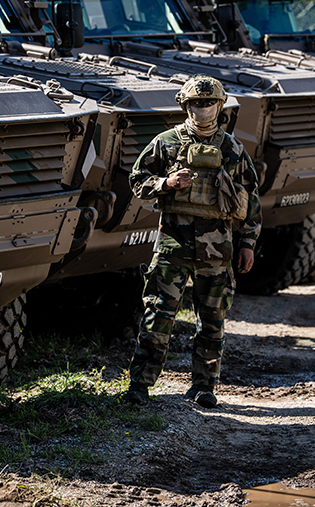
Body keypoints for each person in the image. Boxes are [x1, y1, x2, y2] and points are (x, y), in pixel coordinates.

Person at [123, 75, 262, 408]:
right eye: (197, 103)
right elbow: (137, 180)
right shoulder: (166, 142)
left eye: (209, 103)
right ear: (186, 105)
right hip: (173, 247)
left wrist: (248, 243)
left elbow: (251, 197)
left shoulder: (232, 148)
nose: (203, 109)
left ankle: (204, 386)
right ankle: (140, 385)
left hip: (217, 250)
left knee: (212, 319)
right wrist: (166, 183)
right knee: (157, 316)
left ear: (220, 106)